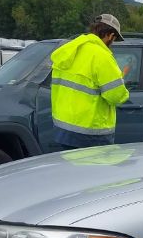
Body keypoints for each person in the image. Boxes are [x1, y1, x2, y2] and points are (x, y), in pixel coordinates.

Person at [50, 14, 129, 150]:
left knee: (70, 169)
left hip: (63, 129)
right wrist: (121, 82)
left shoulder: (71, 49)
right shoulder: (102, 56)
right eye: (114, 39)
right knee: (93, 171)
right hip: (90, 133)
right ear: (110, 35)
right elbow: (116, 96)